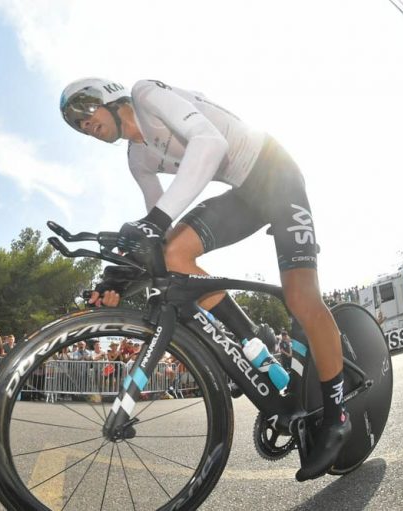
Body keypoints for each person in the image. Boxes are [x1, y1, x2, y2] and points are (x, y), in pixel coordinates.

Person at [60, 77, 349, 481]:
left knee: (301, 298)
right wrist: (116, 279)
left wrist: (155, 222)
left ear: (108, 97)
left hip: (276, 173)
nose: (83, 126)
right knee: (175, 255)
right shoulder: (137, 159)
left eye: (84, 112)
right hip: (245, 194)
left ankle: (338, 415)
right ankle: (252, 338)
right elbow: (154, 237)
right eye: (76, 125)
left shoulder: (146, 94)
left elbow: (210, 144)